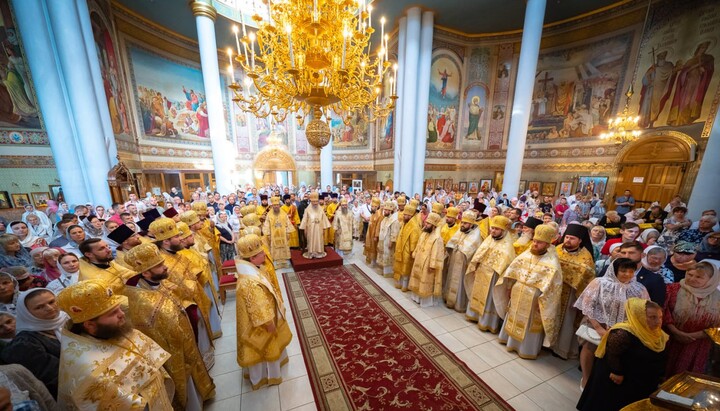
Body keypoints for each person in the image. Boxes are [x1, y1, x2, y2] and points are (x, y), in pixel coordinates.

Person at [56, 279, 175, 409]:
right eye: (113, 313)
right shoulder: (86, 367)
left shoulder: (118, 331)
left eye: (119, 308)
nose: (122, 314)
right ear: (90, 324)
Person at [122, 244, 216, 409]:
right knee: (185, 382)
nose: (165, 266)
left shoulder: (158, 282)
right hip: (173, 350)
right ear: (145, 272)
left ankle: (202, 396)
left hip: (185, 340)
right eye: (159, 266)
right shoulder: (141, 300)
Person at [577, 298, 668, 411]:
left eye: (660, 317)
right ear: (638, 315)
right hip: (619, 383)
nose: (658, 322)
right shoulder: (622, 332)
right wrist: (617, 372)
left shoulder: (658, 334)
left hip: (641, 382)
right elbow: (612, 354)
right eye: (652, 317)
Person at [574, 258, 649, 389]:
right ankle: (586, 378)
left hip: (623, 327)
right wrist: (598, 328)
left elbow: (642, 309)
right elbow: (587, 306)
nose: (627, 274)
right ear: (614, 271)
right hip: (596, 322)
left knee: (614, 354)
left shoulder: (639, 288)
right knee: (590, 348)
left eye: (631, 271)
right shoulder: (600, 283)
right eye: (623, 270)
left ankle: (601, 381)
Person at [494, 225, 564, 359]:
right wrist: (509, 286)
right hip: (518, 289)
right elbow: (513, 271)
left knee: (529, 322)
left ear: (548, 244)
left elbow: (553, 289)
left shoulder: (552, 263)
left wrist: (543, 302)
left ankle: (526, 349)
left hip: (535, 297)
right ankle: (509, 341)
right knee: (513, 315)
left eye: (539, 242)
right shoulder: (527, 253)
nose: (535, 244)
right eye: (535, 240)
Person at [235, 234, 293, 390]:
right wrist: (269, 323)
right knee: (264, 346)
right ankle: (265, 375)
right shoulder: (250, 281)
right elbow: (258, 307)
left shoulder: (251, 270)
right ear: (253, 258)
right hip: (262, 323)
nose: (264, 254)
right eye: (261, 253)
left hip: (264, 316)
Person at [0, 288, 68, 398]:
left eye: (51, 302)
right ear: (26, 313)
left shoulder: (68, 320)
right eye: (39, 307)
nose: (49, 308)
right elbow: (54, 376)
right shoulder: (23, 345)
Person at [663, 260, 720, 376]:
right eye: (690, 274)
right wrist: (676, 332)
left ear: (711, 279)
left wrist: (693, 336)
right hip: (670, 339)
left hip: (699, 345)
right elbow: (663, 311)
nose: (692, 278)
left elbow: (718, 327)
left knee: (689, 377)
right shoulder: (671, 289)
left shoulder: (718, 298)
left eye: (699, 277)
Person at [465, 215, 516, 331]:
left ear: (503, 231)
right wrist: (476, 266)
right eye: (492, 228)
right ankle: (474, 315)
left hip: (493, 276)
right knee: (477, 293)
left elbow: (506, 265)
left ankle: (487, 322)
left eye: (496, 229)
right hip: (481, 272)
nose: (493, 231)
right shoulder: (489, 239)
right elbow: (479, 254)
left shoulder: (507, 246)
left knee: (489, 299)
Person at [553, 224, 596, 360]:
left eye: (572, 238)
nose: (568, 241)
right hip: (553, 292)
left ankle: (561, 349)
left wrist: (580, 301)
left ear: (580, 240)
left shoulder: (586, 258)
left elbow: (588, 281)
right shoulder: (557, 249)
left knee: (566, 322)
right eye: (567, 237)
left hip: (571, 295)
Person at [177, 222, 223, 339]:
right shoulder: (182, 255)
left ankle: (215, 329)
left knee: (211, 306)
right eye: (189, 236)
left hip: (205, 279)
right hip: (198, 285)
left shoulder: (189, 249)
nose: (192, 237)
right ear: (183, 240)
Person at [443, 210, 482, 312]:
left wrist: (459, 247)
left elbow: (470, 248)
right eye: (462, 222)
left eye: (465, 223)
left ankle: (459, 304)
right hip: (455, 259)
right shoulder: (461, 230)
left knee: (460, 283)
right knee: (451, 278)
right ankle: (448, 299)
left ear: (471, 224)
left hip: (464, 263)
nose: (463, 225)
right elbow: (452, 242)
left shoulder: (476, 234)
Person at [408, 213, 445, 307]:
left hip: (428, 263)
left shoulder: (437, 238)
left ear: (434, 226)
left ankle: (426, 301)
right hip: (419, 260)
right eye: (426, 223)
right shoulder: (424, 233)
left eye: (428, 224)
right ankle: (416, 297)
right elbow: (418, 245)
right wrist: (415, 253)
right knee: (417, 278)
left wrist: (433, 265)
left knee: (425, 280)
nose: (426, 225)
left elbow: (437, 254)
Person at [393, 200, 422, 290]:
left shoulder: (414, 226)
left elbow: (414, 240)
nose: (403, 216)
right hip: (401, 248)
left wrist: (412, 251)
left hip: (407, 250)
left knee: (406, 268)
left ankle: (405, 286)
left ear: (410, 215)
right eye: (404, 214)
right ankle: (400, 283)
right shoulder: (406, 222)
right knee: (400, 266)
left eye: (405, 215)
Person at [262, 196, 294, 268]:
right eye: (274, 205)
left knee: (284, 246)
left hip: (283, 234)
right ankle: (276, 262)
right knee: (274, 247)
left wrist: (288, 232)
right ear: (272, 206)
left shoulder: (283, 214)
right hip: (273, 235)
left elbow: (288, 223)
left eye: (277, 205)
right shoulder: (269, 214)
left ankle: (285, 261)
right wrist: (268, 234)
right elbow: (266, 225)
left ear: (279, 205)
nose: (276, 206)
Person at [299, 192, 331, 259]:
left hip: (319, 228)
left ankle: (319, 252)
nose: (315, 203)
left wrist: (324, 228)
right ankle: (311, 253)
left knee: (319, 240)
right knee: (311, 240)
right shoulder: (307, 210)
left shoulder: (321, 209)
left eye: (316, 201)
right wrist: (304, 228)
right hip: (310, 229)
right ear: (311, 201)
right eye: (313, 201)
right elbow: (304, 219)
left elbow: (324, 219)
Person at [376, 201, 399, 275]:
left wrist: (391, 242)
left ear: (390, 211)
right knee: (382, 255)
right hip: (382, 241)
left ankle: (388, 272)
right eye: (384, 210)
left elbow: (394, 232)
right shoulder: (384, 219)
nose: (384, 211)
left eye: (386, 210)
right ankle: (383, 270)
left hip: (388, 242)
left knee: (388, 256)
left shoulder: (394, 220)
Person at [363, 197, 383, 265]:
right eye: (371, 206)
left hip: (374, 233)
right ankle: (370, 259)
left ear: (377, 207)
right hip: (370, 231)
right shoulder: (373, 213)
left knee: (374, 247)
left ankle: (374, 261)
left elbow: (378, 226)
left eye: (373, 206)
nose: (371, 207)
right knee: (369, 245)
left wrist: (376, 235)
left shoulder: (379, 214)